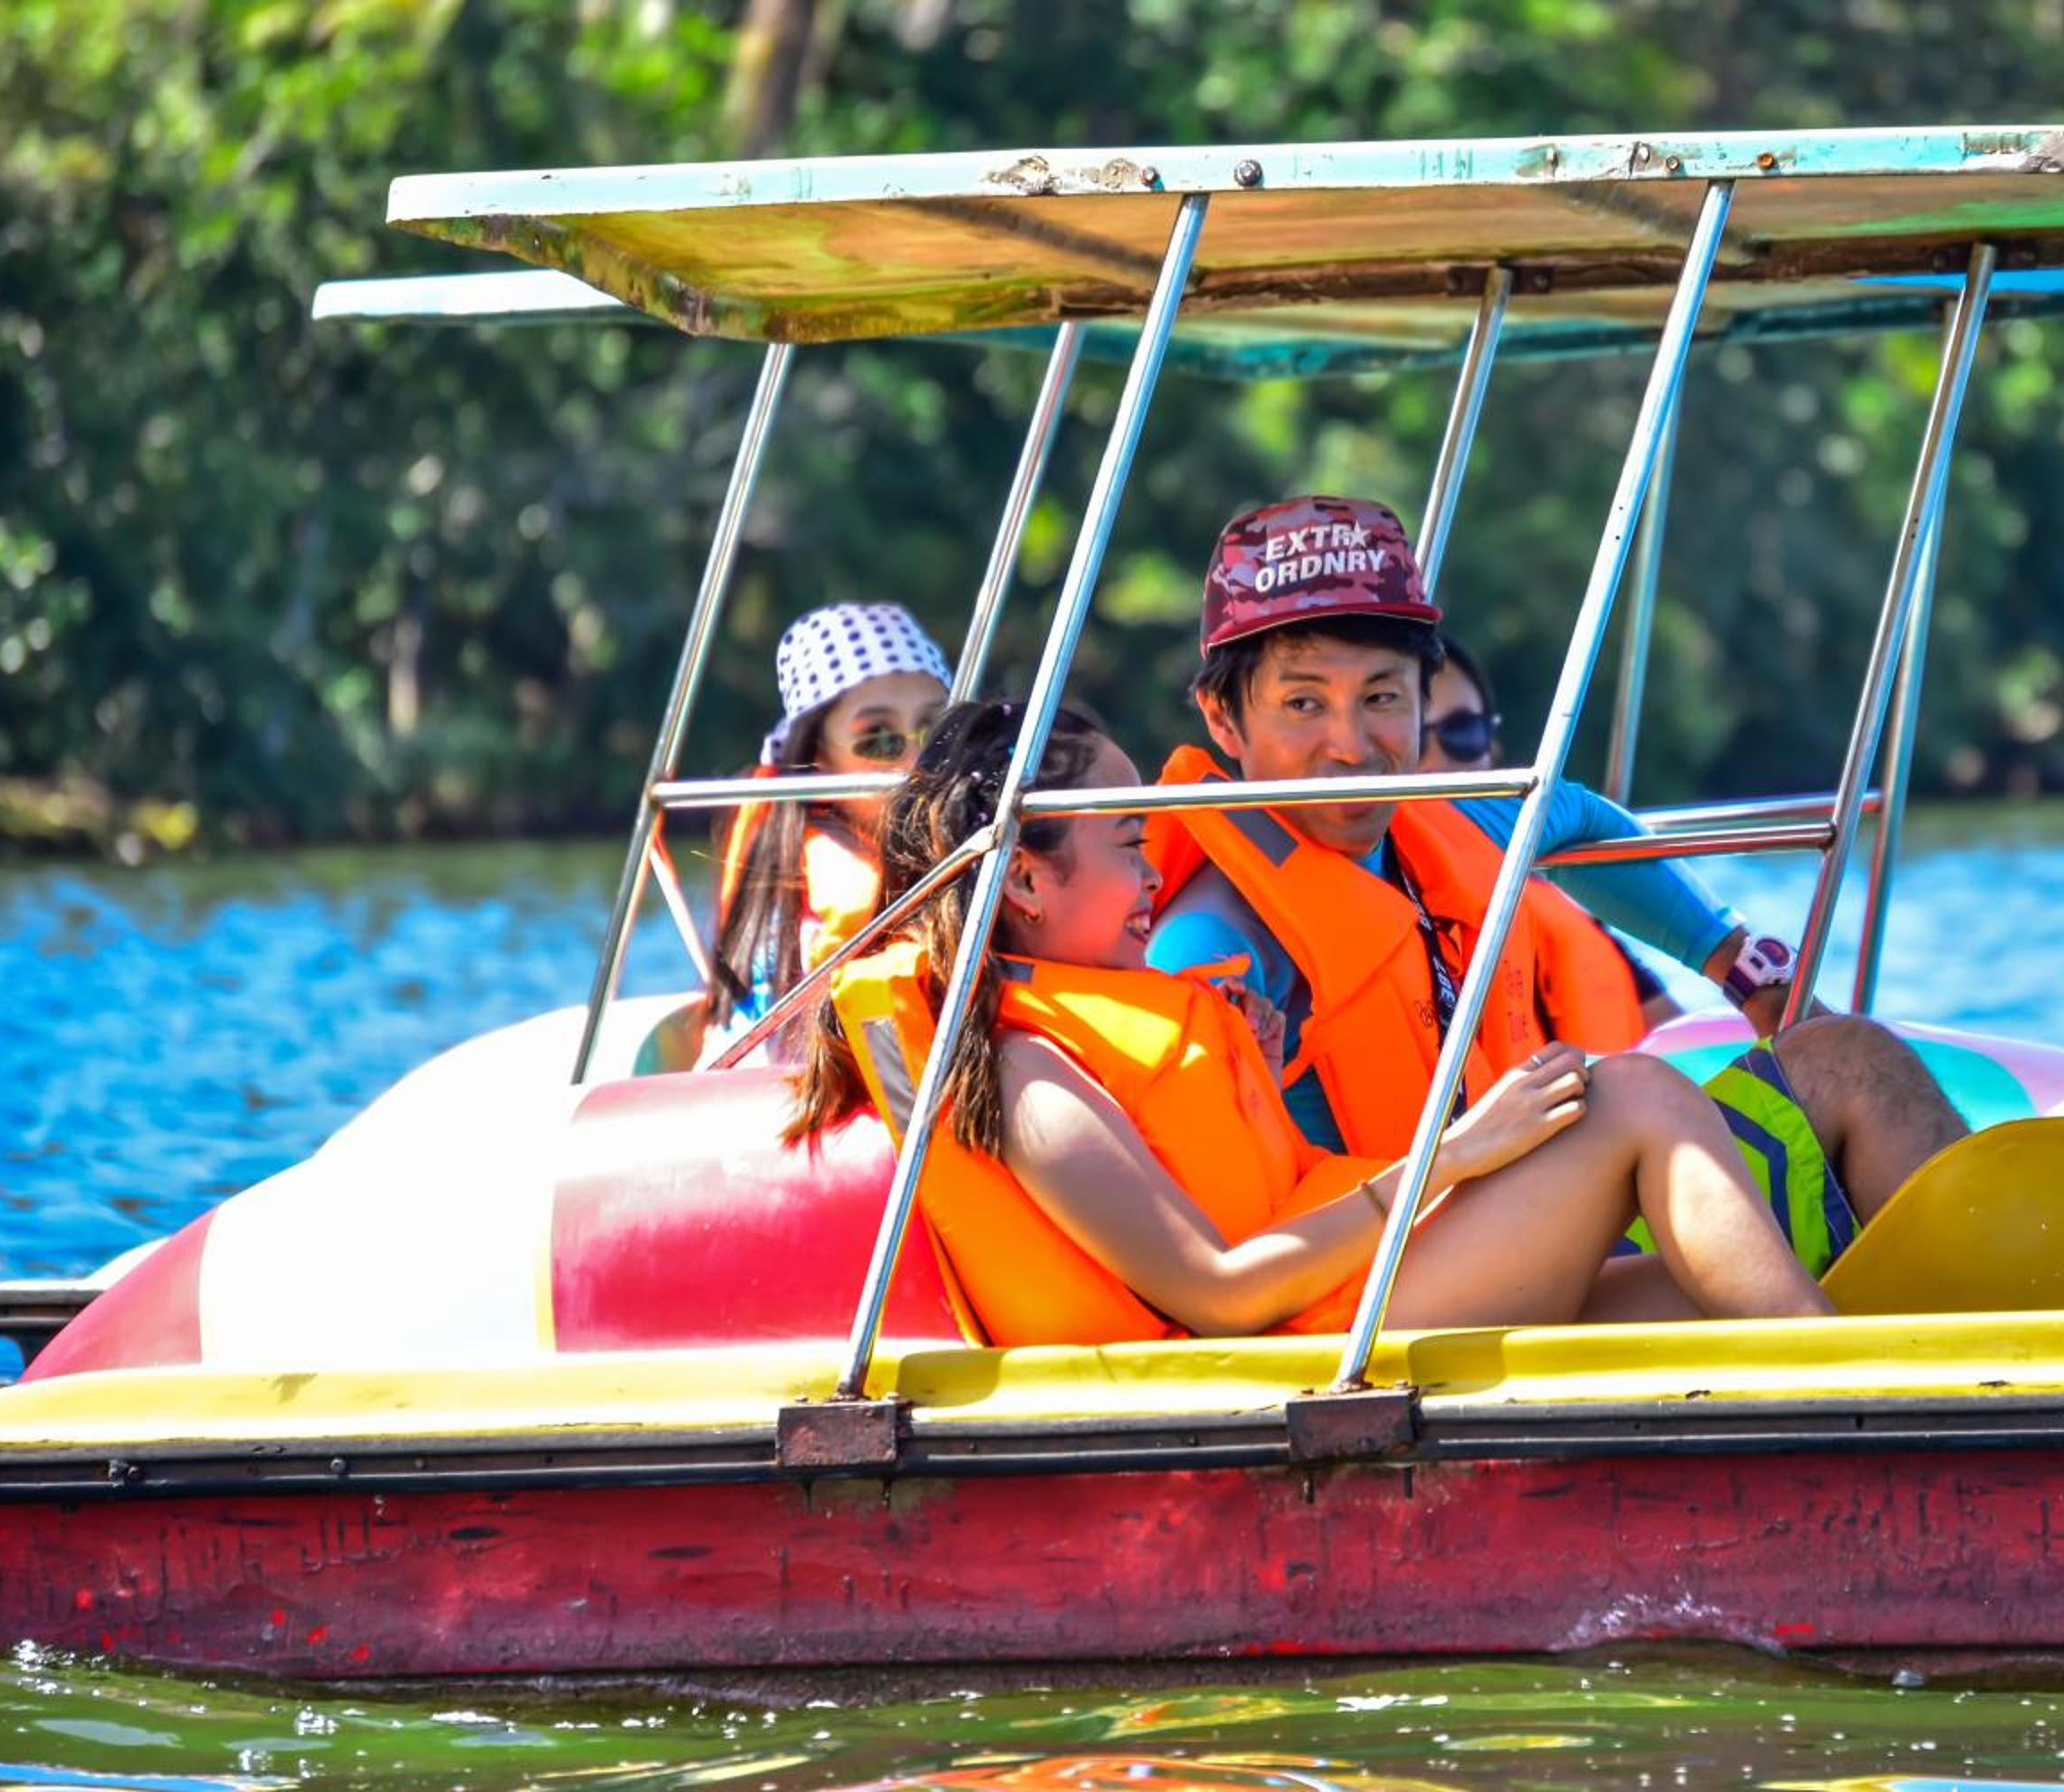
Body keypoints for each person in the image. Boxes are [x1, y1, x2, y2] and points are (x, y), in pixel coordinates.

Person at [786, 700, 1834, 1345]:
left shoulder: (1104, 1025)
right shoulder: (1031, 1081)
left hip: (1348, 1293)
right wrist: (1456, 1154)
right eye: (1131, 843)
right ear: (1022, 878)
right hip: (1299, 1338)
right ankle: (1848, 1408)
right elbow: (1220, 1295)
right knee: (1635, 1096)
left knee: (1698, 1290)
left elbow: (1251, 1185)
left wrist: (1256, 1072)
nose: (1153, 875)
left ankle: (1842, 1387)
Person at [1144, 495, 1966, 1275]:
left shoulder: (1448, 827)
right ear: (1222, 719)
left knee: (1851, 1061)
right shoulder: (1210, 941)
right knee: (1645, 1096)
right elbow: (1226, 1232)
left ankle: (1987, 1328)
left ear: (1424, 698)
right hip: (1410, 1286)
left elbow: (1574, 816)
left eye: (1382, 697)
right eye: (1302, 704)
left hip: (1539, 1219)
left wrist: (1743, 970)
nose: (1351, 745)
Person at [703, 602, 952, 1051]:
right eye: (879, 739)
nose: (916, 763)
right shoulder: (793, 923)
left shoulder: (992, 855)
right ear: (819, 761)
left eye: (936, 732)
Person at [1422, 632, 1682, 1033]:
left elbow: (1687, 1039)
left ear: (1491, 748)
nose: (1436, 760)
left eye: (1463, 733)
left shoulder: (1560, 907)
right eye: (1414, 736)